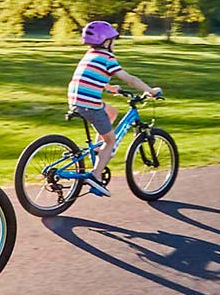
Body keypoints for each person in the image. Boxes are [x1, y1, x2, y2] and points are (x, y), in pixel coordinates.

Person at [67, 20, 161, 196]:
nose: (114, 43)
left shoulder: (90, 55)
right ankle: (95, 177)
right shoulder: (108, 59)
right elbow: (130, 79)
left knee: (112, 111)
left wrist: (110, 88)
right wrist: (150, 91)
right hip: (89, 103)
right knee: (111, 140)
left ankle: (97, 149)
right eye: (113, 40)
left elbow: (89, 77)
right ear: (106, 42)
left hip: (75, 99)